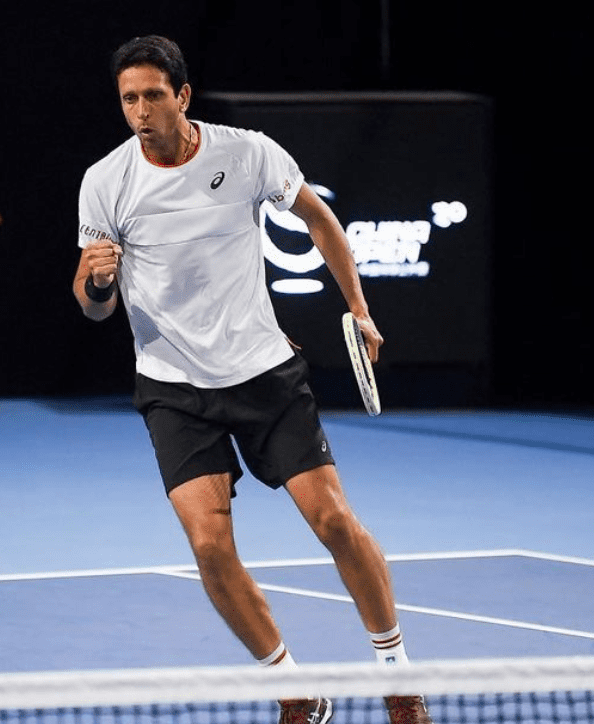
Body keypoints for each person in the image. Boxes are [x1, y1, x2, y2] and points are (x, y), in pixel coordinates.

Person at [73, 36, 432, 724]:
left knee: (333, 522)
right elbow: (93, 307)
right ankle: (296, 692)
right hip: (173, 388)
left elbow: (319, 218)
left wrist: (358, 307)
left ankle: (399, 677)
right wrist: (96, 281)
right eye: (128, 98)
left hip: (263, 372)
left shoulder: (248, 152)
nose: (141, 110)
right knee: (209, 548)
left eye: (153, 95)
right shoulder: (105, 181)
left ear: (183, 95)